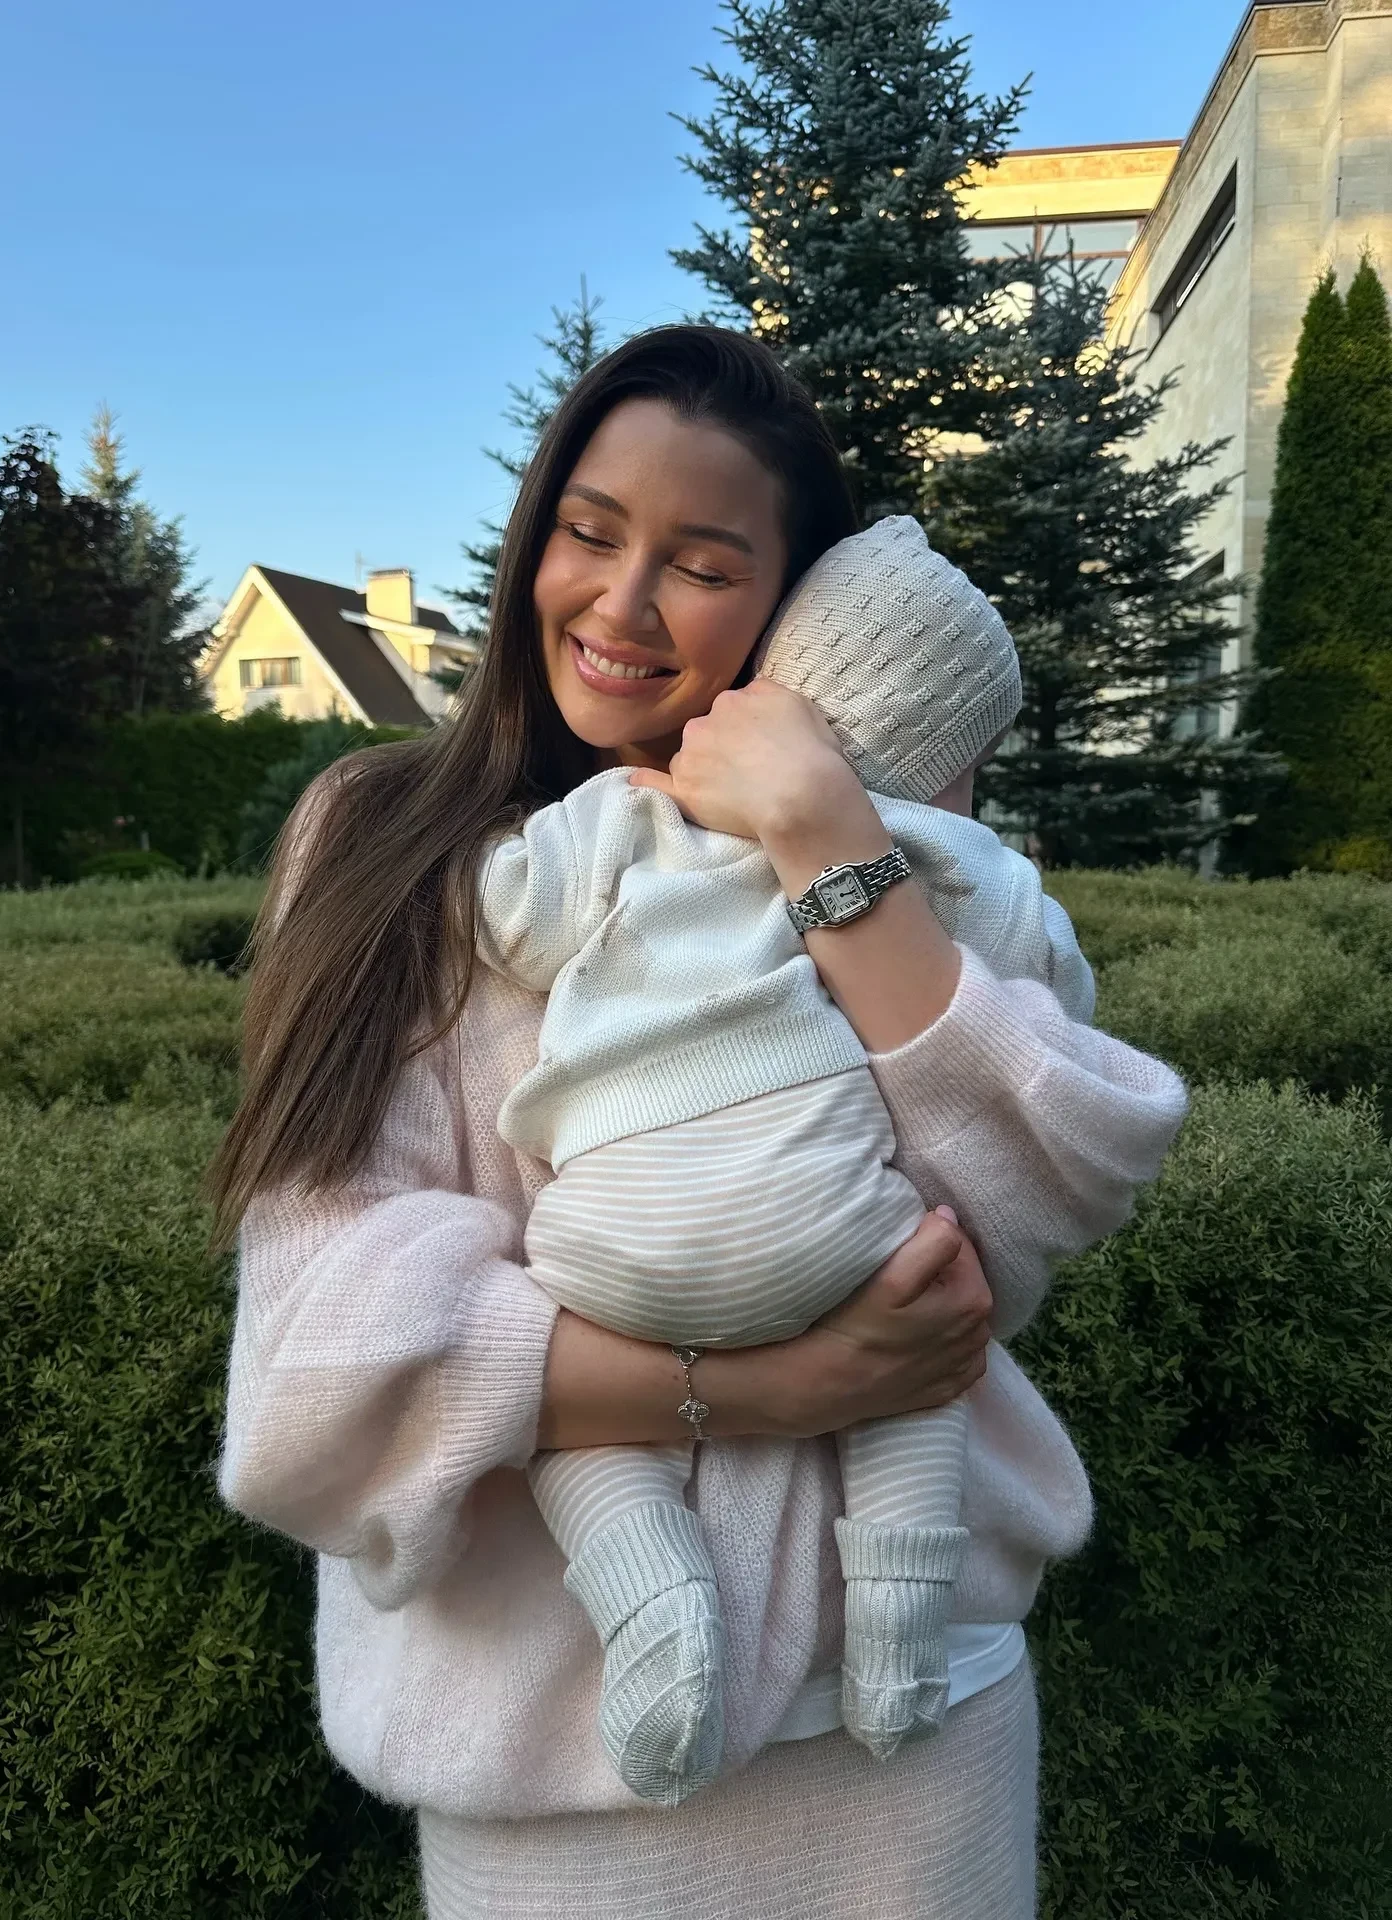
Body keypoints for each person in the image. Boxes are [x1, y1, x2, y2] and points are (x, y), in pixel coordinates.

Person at [211, 325, 1187, 1919]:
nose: (622, 603)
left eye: (704, 563)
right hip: (557, 1769)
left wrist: (824, 839)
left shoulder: (896, 850)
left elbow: (1014, 1222)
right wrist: (759, 1388)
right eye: (590, 533)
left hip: (914, 1732)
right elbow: (322, 1348)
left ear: (790, 605)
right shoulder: (382, 842)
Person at [474, 512, 1101, 1807]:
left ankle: (649, 1590)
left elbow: (512, 922)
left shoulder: (632, 809)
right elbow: (1051, 996)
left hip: (605, 1233)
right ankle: (899, 1632)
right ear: (939, 756)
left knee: (578, 1424)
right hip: (821, 1220)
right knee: (919, 1344)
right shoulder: (938, 852)